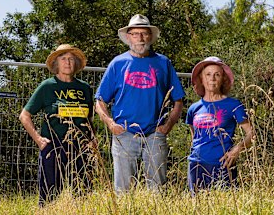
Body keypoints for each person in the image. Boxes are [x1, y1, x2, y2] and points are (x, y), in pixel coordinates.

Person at [95, 14, 185, 192]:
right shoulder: (118, 63)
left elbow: (178, 100)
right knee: (123, 190)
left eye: (144, 33)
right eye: (135, 34)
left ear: (150, 36)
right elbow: (99, 101)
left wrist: (167, 126)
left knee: (157, 189)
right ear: (128, 37)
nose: (140, 38)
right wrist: (111, 124)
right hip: (124, 133)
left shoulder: (163, 62)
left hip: (155, 134)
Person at [19, 44, 95, 205]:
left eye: (71, 59)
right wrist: (39, 140)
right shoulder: (47, 86)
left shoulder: (85, 88)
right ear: (56, 63)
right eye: (63, 58)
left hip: (80, 147)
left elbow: (89, 119)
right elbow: (24, 116)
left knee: (83, 193)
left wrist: (92, 139)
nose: (67, 62)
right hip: (53, 145)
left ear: (75, 63)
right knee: (49, 194)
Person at [186, 56, 254, 192]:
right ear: (201, 79)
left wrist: (236, 150)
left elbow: (252, 134)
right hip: (196, 165)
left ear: (223, 79)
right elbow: (194, 136)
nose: (212, 78)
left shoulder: (233, 105)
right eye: (208, 74)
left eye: (217, 74)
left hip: (222, 165)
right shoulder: (193, 108)